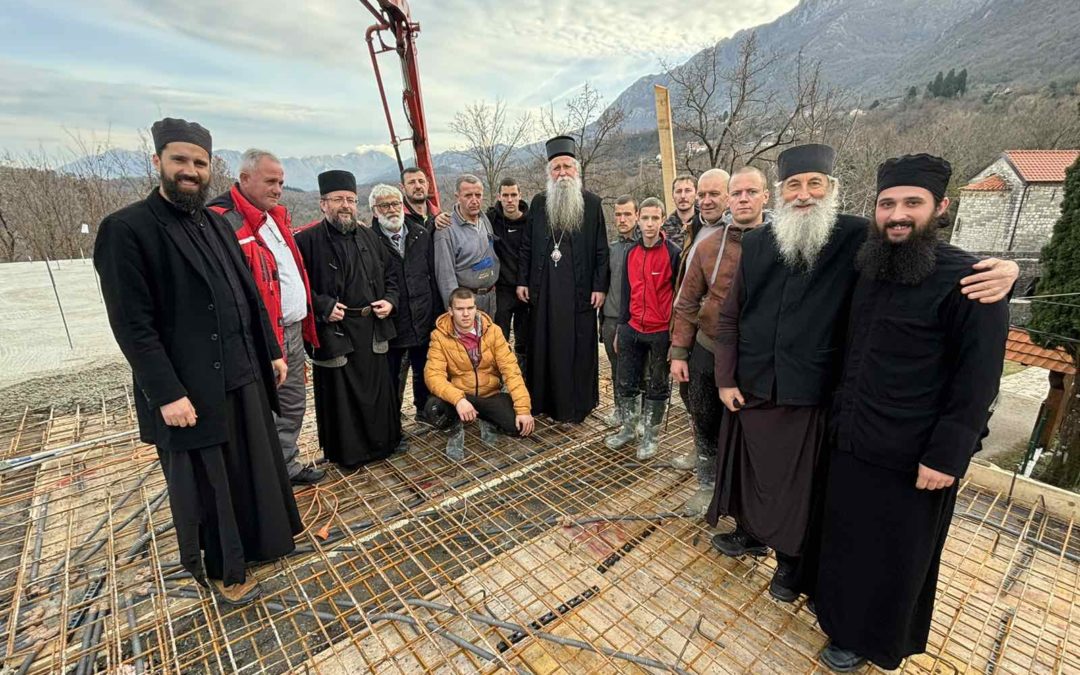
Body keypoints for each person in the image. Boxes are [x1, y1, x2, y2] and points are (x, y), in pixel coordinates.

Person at [708, 143, 1018, 604]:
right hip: (752, 386)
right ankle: (750, 533)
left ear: (832, 188)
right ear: (780, 192)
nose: (804, 194)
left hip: (813, 390)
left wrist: (1007, 270)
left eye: (815, 184)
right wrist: (725, 376)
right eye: (794, 185)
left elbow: (920, 252)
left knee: (800, 489)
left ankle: (791, 563)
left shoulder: (857, 236)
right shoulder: (755, 243)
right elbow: (731, 314)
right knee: (750, 474)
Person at [94, 118, 301, 605]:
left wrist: (270, 351)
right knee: (211, 488)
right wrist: (166, 394)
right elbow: (132, 325)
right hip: (190, 389)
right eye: (180, 161)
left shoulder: (214, 223)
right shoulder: (127, 229)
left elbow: (246, 293)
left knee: (251, 471)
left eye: (199, 163)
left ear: (210, 169)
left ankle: (260, 546)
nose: (190, 170)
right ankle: (226, 573)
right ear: (158, 163)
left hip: (242, 374)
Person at [815, 154, 1009, 672]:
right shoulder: (870, 263)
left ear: (941, 207)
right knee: (848, 541)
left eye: (912, 203)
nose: (897, 215)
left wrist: (947, 456)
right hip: (853, 437)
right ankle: (838, 621)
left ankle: (871, 642)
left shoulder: (971, 280)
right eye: (887, 204)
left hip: (913, 454)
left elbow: (979, 380)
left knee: (894, 555)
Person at [207, 149, 324, 486]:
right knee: (262, 410)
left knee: (292, 403)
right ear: (245, 179)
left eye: (282, 183)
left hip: (292, 329)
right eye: (271, 181)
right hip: (263, 335)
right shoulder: (223, 221)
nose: (278, 189)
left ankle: (286, 466)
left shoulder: (272, 217)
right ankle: (263, 478)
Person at [669, 167, 768, 516]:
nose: (743, 200)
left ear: (765, 197)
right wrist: (679, 352)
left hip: (757, 355)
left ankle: (744, 492)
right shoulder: (709, 246)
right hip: (708, 346)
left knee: (750, 427)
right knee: (704, 417)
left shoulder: (779, 243)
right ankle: (707, 483)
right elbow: (686, 302)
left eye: (750, 193)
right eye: (737, 194)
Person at [294, 170, 402, 468]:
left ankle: (384, 445)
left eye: (351, 200)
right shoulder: (305, 241)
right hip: (335, 331)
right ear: (323, 204)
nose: (346, 205)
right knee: (341, 397)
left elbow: (392, 275)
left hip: (371, 327)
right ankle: (349, 455)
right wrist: (323, 305)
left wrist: (390, 301)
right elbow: (294, 286)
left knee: (377, 392)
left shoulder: (370, 236)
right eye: (338, 199)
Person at [516, 136, 610, 423]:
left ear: (576, 170)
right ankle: (545, 403)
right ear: (549, 173)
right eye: (556, 168)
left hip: (579, 293)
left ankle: (576, 406)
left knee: (577, 349)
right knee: (545, 345)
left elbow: (601, 249)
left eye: (567, 167)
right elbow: (527, 246)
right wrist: (522, 281)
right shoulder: (539, 203)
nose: (562, 173)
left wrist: (599, 286)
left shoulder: (591, 203)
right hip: (544, 291)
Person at [604, 198, 680, 459]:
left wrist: (675, 336)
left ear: (662, 220)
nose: (649, 224)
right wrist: (621, 328)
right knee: (626, 380)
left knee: (657, 385)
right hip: (632, 327)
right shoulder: (631, 253)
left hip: (660, 330)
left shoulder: (672, 253)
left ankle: (651, 436)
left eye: (654, 218)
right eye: (645, 218)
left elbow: (678, 295)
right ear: (639, 219)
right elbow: (626, 293)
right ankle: (628, 428)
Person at [424, 287, 535, 460]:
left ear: (476, 308)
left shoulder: (493, 331)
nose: (466, 314)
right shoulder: (440, 336)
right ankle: (455, 427)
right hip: (462, 395)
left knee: (518, 427)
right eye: (460, 309)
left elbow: (511, 371)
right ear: (451, 311)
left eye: (470, 308)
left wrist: (523, 410)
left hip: (490, 394)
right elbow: (433, 376)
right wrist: (458, 399)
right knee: (434, 408)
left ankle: (485, 419)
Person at [370, 183, 437, 434]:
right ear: (375, 210)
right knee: (393, 375)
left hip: (422, 315)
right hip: (392, 321)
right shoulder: (369, 240)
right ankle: (392, 423)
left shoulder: (420, 234)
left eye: (395, 203)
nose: (391, 209)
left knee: (424, 369)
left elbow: (432, 274)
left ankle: (424, 411)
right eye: (384, 205)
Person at [434, 174, 500, 315]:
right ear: (457, 196)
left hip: (490, 298)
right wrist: (455, 311)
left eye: (478, 195)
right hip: (466, 304)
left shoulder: (484, 219)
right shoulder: (446, 229)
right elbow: (446, 277)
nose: (474, 200)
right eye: (468, 195)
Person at [600, 195, 640, 427]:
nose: (622, 219)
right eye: (618, 214)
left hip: (637, 319)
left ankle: (639, 414)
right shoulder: (611, 249)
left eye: (627, 214)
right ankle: (620, 410)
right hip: (611, 318)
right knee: (616, 368)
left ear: (636, 215)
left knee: (640, 369)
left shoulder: (644, 247)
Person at [489, 177, 531, 367]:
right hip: (502, 290)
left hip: (525, 289)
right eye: (505, 195)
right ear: (499, 197)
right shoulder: (491, 220)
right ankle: (501, 376)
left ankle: (523, 376)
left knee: (525, 340)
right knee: (500, 338)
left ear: (520, 195)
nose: (509, 199)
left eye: (513, 195)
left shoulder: (531, 222)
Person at [662, 174, 698, 248]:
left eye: (688, 191)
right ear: (673, 195)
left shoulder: (705, 223)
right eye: (678, 191)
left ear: (696, 194)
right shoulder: (664, 229)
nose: (683, 196)